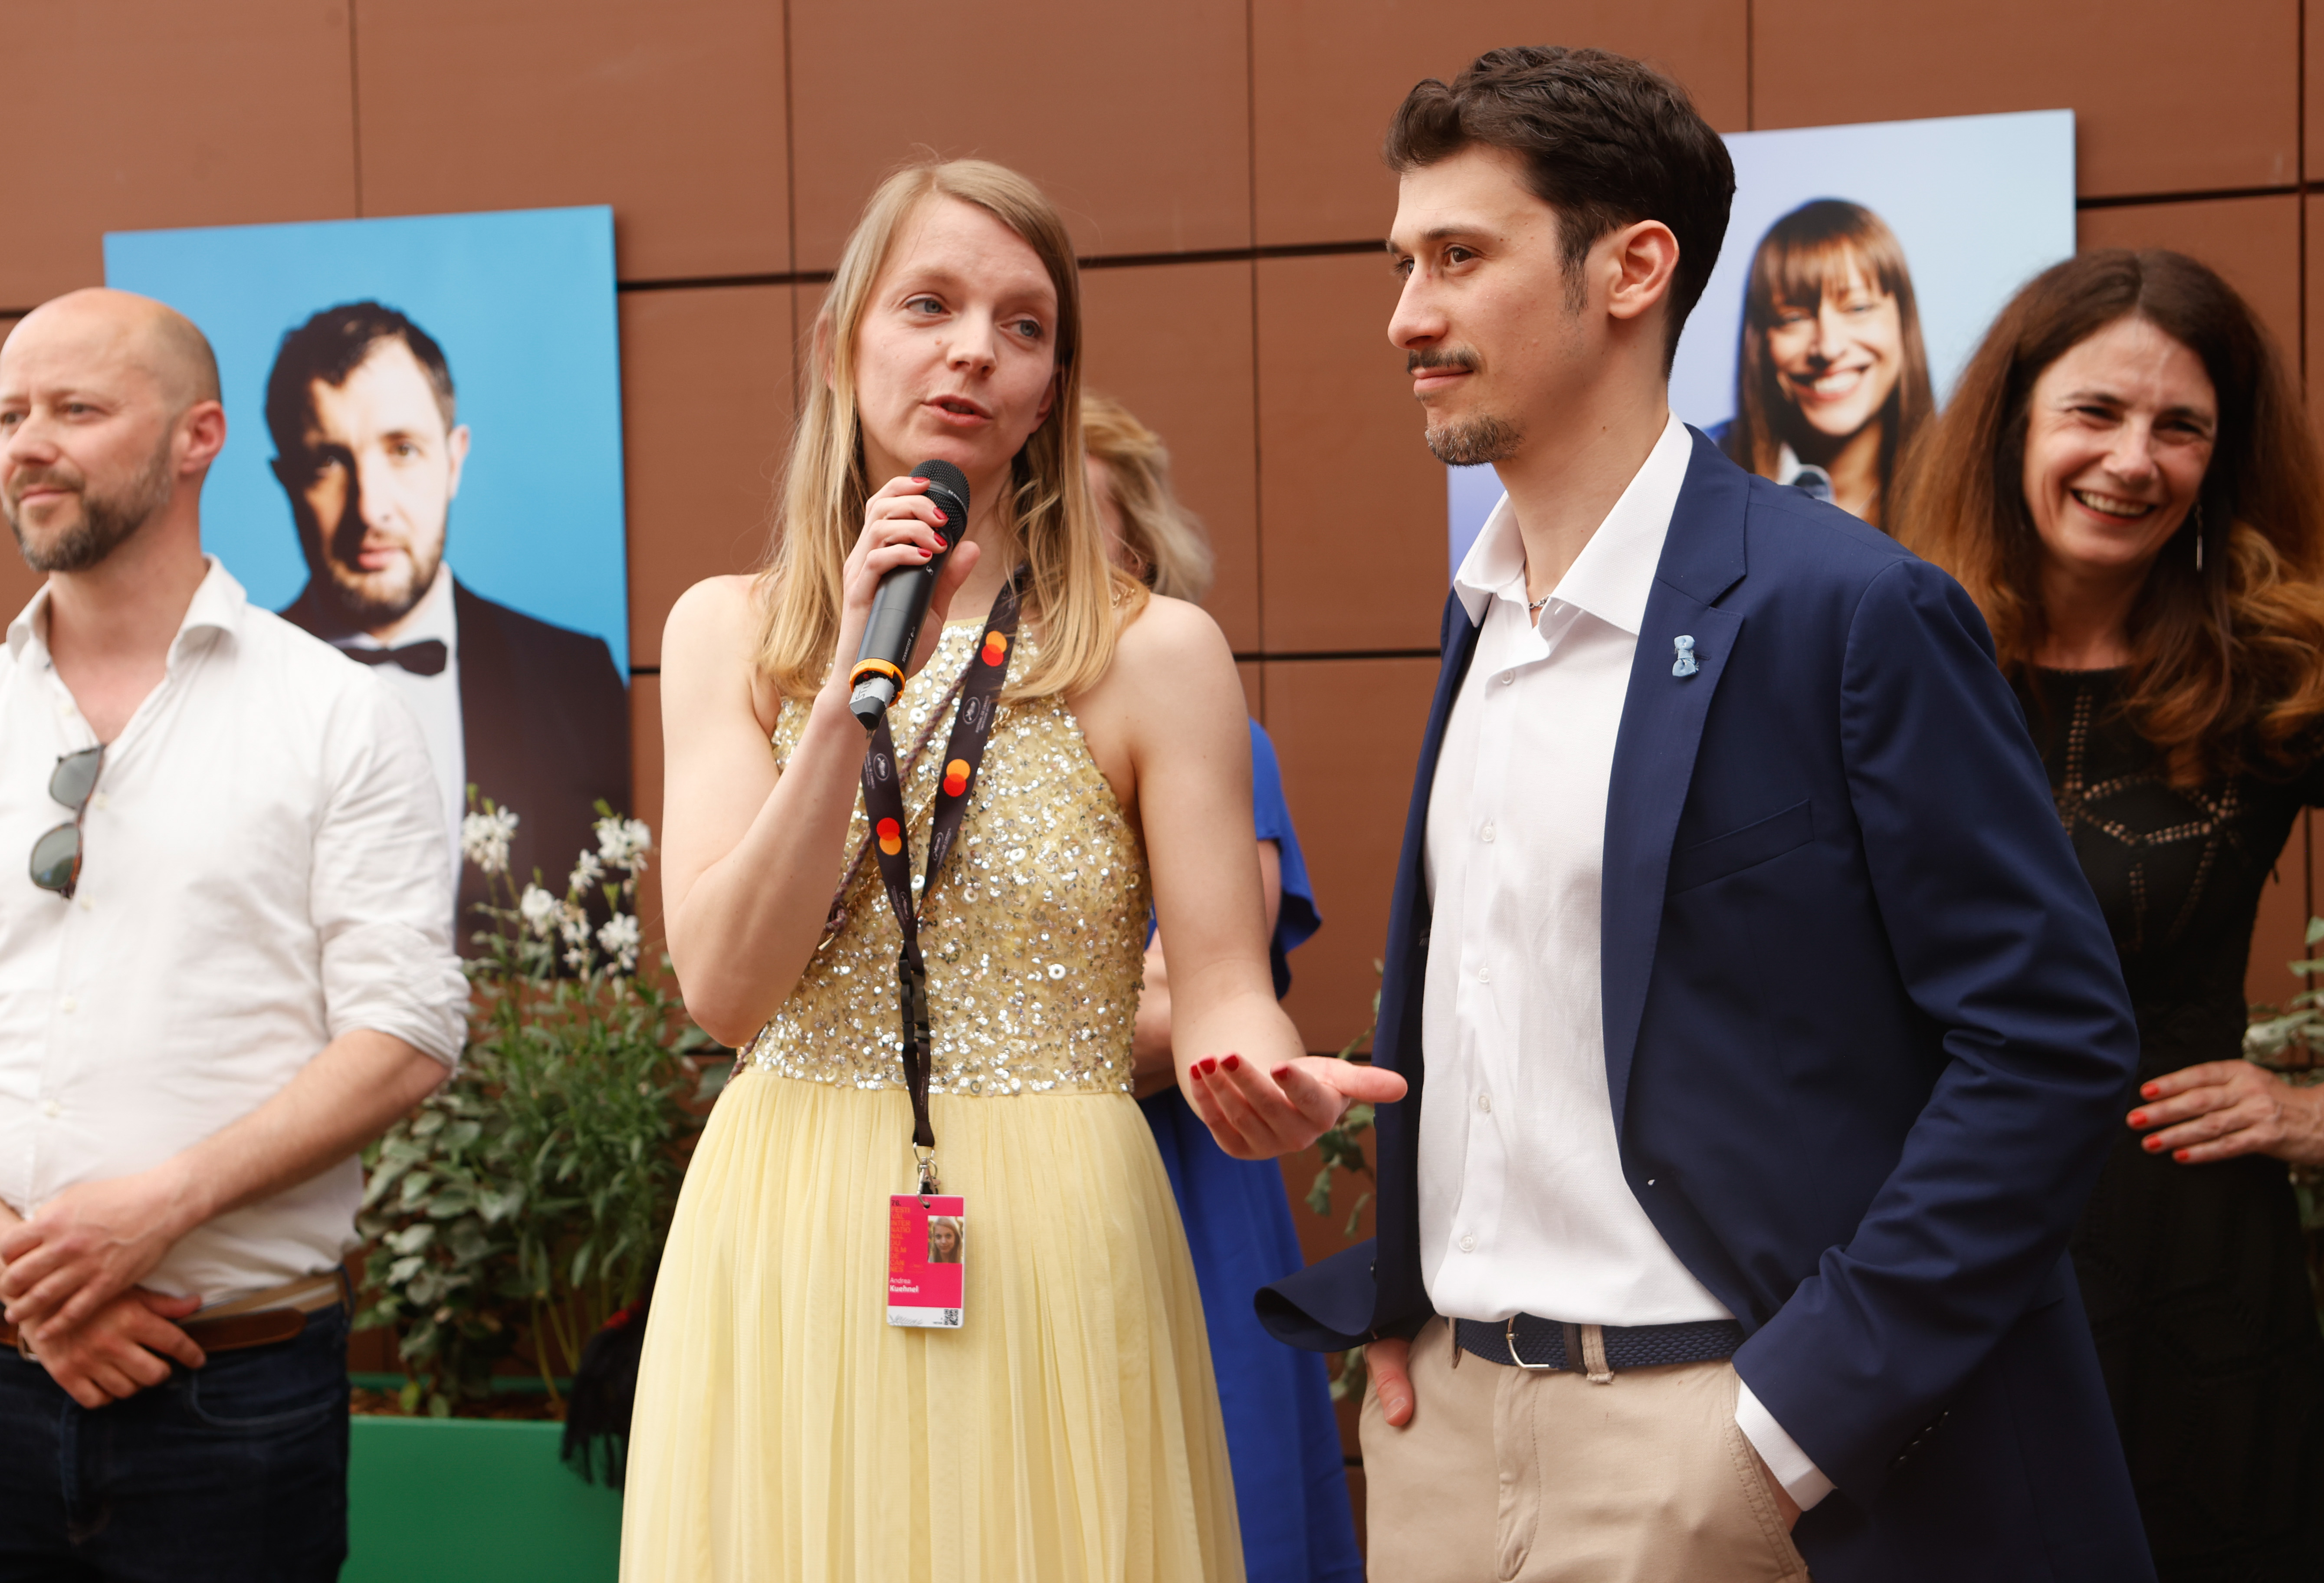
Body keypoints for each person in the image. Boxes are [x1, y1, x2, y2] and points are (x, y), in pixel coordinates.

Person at [1251, 47, 2153, 1581]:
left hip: (1719, 1445)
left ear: (1634, 267)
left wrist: (1782, 1427)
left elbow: (2050, 1045)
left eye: (1459, 258)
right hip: (1442, 1442)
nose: (1406, 313)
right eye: (1404, 262)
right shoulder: (1480, 620)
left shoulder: (1855, 613)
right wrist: (1410, 1307)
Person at [622, 159, 1398, 1582]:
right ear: (842, 340)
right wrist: (861, 688)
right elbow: (729, 985)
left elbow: (1227, 985)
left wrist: (1264, 1074)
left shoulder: (1156, 653)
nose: (976, 345)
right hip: (788, 1208)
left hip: (1057, 1219)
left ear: (1050, 388)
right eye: (931, 303)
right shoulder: (730, 632)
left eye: (1024, 324)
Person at [1894, 247, 2324, 1580]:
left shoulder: (2281, 672)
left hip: (2193, 1289)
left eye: (2182, 427)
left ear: (2221, 459)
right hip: (1924, 1260)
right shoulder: (1883, 645)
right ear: (2015, 424)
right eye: (2096, 413)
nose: (2134, 459)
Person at [0, 289, 466, 1578]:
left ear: (199, 435)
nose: (27, 444)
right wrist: (29, 1280)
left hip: (235, 1398)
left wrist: (155, 1211)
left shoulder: (337, 713)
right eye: (10, 413)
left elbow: (408, 1029)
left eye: (75, 410)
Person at [1083, 390, 1363, 1583]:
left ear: (1135, 556)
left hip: (1183, 1200)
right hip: (1003, 1210)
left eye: (1057, 515)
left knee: (1213, 1520)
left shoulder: (1215, 735)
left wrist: (958, 1018)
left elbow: (1191, 1010)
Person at [266, 301, 630, 929]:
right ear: (287, 482)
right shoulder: (233, 689)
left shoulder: (578, 679)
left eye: (402, 449)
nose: (371, 508)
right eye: (328, 461)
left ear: (454, 460)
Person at [1717, 200, 1932, 527]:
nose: (1828, 348)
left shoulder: (1974, 480)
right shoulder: (1697, 471)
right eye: (1793, 318)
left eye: (1858, 309)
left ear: (1904, 321)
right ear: (1760, 342)